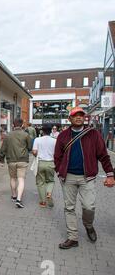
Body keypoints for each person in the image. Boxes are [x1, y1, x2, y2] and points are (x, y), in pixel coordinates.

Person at [54, 107, 115, 249]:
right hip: (68, 177)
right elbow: (57, 156)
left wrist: (110, 174)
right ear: (70, 119)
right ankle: (72, 237)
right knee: (69, 208)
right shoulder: (63, 136)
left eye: (81, 115)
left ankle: (88, 225)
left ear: (84, 118)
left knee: (89, 206)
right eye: (75, 115)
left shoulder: (93, 134)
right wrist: (59, 172)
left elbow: (103, 156)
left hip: (88, 177)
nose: (79, 117)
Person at [0, 118, 33, 209]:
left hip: (11, 160)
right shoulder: (26, 135)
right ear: (22, 125)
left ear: (13, 125)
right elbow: (30, 147)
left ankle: (14, 196)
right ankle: (19, 199)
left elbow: (3, 149)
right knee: (21, 179)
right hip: (23, 160)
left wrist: (1, 160)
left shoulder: (8, 135)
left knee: (13, 178)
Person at [32, 125, 57, 208]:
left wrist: (36, 154)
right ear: (51, 131)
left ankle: (43, 202)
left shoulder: (37, 140)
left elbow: (34, 152)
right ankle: (49, 193)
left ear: (42, 131)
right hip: (50, 163)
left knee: (40, 182)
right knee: (50, 180)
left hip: (40, 163)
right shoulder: (54, 141)